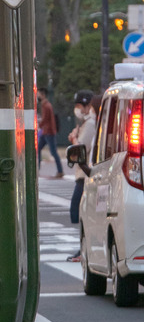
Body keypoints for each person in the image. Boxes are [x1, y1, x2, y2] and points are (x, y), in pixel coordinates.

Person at [66, 89, 97, 262]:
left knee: (77, 210)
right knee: (77, 211)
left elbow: (81, 149)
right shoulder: (85, 123)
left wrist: (73, 140)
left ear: (87, 106)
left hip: (85, 174)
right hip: (81, 173)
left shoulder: (90, 123)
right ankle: (82, 249)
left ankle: (83, 250)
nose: (77, 109)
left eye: (79, 105)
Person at [37, 88, 64, 178]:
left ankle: (60, 171)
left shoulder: (46, 106)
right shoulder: (46, 105)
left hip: (48, 132)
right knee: (38, 149)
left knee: (53, 152)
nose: (37, 96)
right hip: (46, 132)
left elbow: (45, 119)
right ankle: (37, 169)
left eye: (39, 94)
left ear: (43, 95)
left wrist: (39, 125)